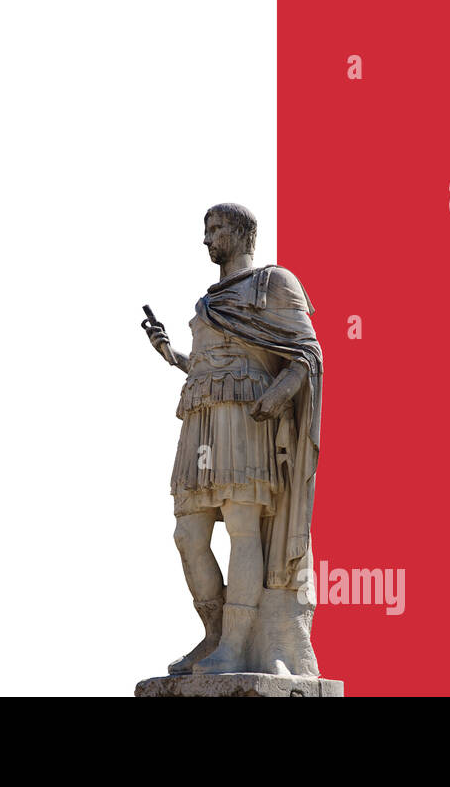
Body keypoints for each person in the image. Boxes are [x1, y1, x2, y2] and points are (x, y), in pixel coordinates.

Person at [144, 203, 323, 675]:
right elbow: (208, 362)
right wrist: (171, 354)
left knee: (243, 525)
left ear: (242, 233)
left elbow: (307, 353)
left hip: (248, 413)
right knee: (188, 532)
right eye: (206, 230)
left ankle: (237, 645)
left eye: (216, 228)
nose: (207, 239)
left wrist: (281, 395)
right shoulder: (207, 301)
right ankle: (215, 635)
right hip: (202, 414)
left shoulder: (274, 282)